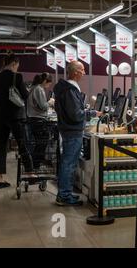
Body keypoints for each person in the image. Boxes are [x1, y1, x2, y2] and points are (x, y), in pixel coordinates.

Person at [54, 61, 101, 206]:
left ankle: (65, 193)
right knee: (69, 163)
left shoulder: (66, 89)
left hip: (68, 130)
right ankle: (64, 196)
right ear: (75, 72)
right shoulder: (70, 90)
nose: (84, 73)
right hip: (72, 131)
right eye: (82, 70)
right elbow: (75, 114)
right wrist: (92, 113)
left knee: (68, 162)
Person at [0, 53, 32, 189]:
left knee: (0, 146)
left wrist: (2, 99)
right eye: (17, 65)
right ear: (13, 63)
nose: (17, 68)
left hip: (0, 116)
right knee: (22, 143)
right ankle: (30, 173)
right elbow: (25, 96)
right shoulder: (17, 77)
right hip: (15, 116)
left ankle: (0, 179)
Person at [27, 73, 55, 170]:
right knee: (42, 142)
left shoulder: (33, 87)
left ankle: (35, 163)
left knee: (40, 142)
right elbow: (43, 106)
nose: (48, 87)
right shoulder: (39, 89)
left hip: (33, 118)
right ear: (44, 81)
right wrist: (50, 102)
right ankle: (36, 164)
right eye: (48, 84)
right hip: (38, 119)